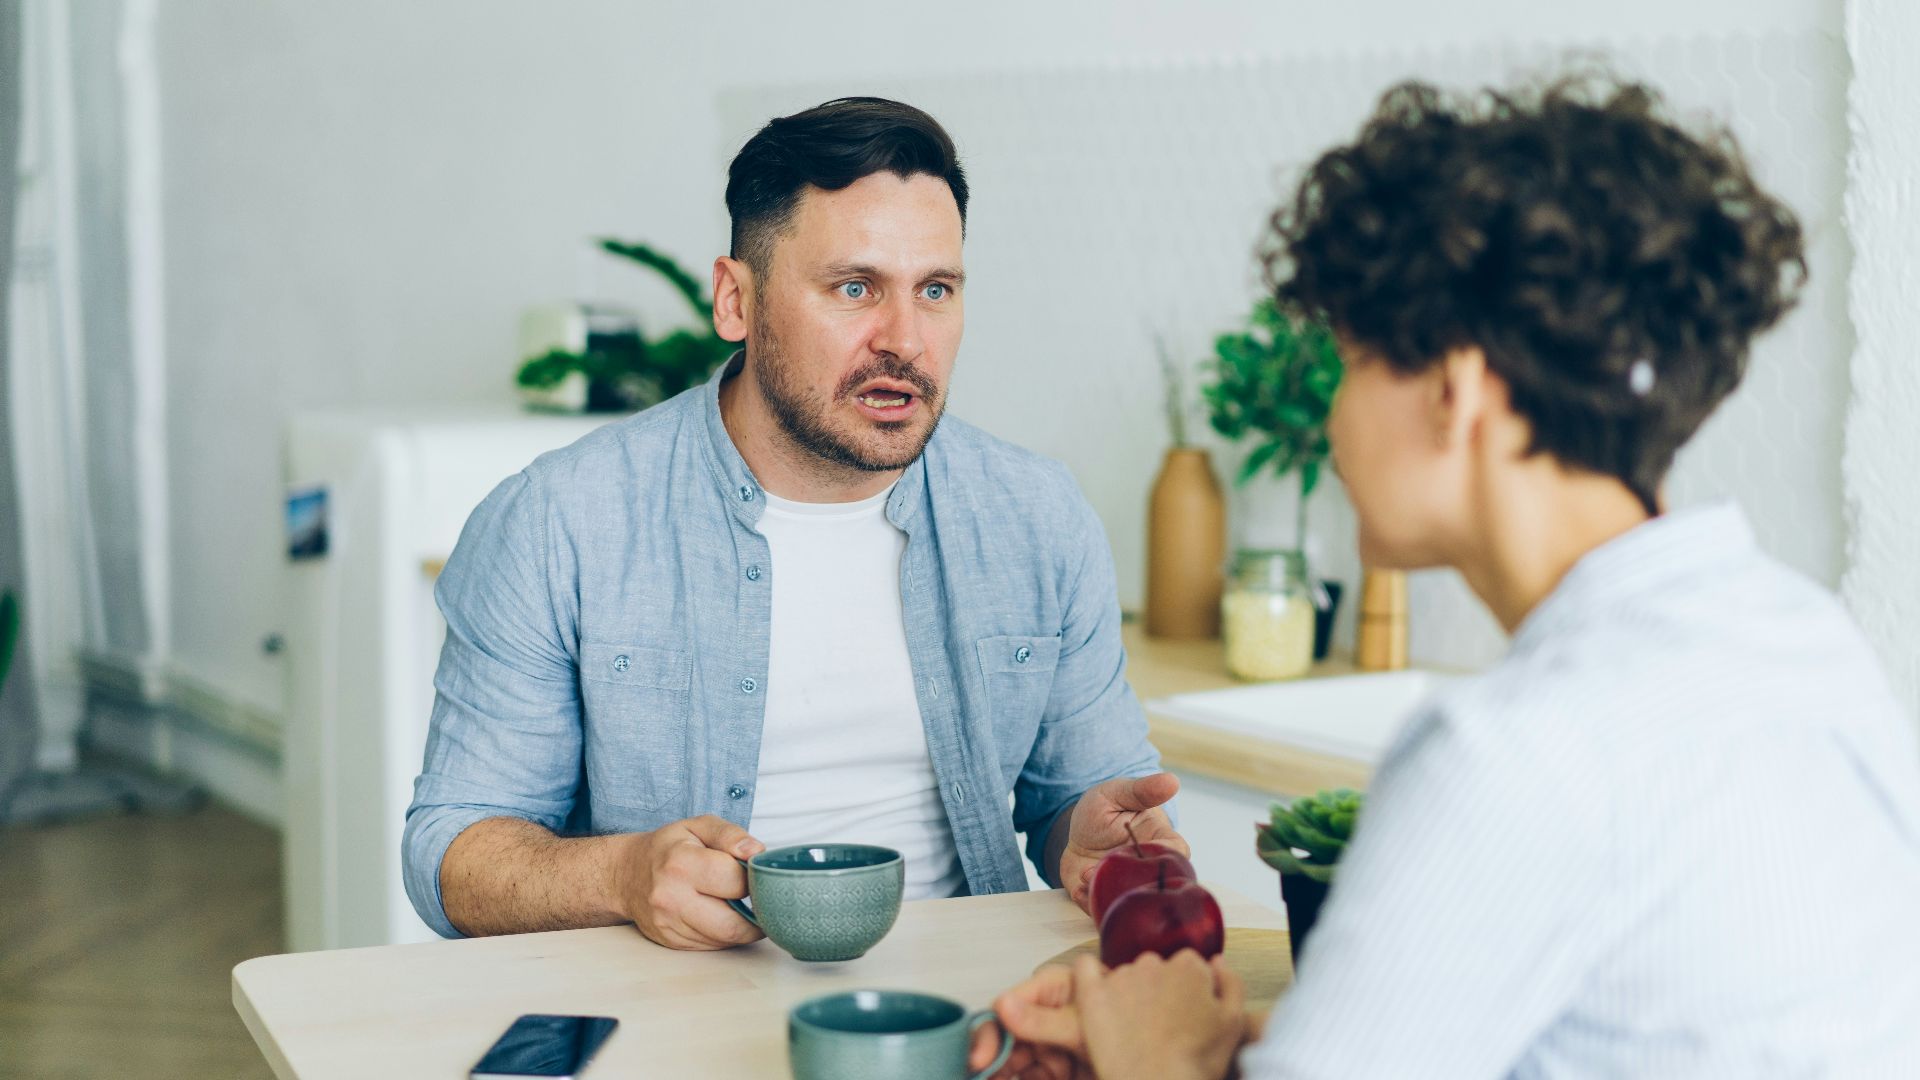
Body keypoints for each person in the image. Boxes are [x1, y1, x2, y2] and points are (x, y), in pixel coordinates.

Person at [975, 73, 1920, 1079]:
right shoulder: (1801, 638)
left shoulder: (1514, 753)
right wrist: (1217, 1046)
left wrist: (1154, 1050)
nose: (1333, 418)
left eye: (1346, 359)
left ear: (1453, 391)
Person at [403, 97, 1188, 949]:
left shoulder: (1038, 517)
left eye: (935, 290)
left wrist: (1092, 841)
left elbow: (1080, 797)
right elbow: (452, 854)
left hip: (968, 1006)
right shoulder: (559, 523)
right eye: (854, 288)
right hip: (675, 1007)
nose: (906, 341)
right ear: (737, 301)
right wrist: (622, 875)